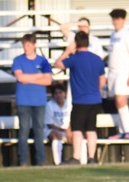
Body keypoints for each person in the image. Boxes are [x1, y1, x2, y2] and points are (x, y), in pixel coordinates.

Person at [54, 31, 107, 164]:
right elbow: (102, 79)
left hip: (80, 101)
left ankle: (76, 157)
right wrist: (97, 91)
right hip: (95, 100)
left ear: (76, 43)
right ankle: (92, 158)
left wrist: (68, 51)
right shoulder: (97, 59)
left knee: (77, 129)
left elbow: (57, 64)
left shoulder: (75, 59)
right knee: (91, 129)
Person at [12, 33, 54, 166]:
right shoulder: (18, 60)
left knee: (39, 130)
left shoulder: (43, 61)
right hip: (23, 101)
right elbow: (20, 78)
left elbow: (48, 81)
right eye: (24, 45)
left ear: (34, 45)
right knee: (24, 131)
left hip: (39, 101)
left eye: (29, 45)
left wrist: (28, 78)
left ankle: (40, 159)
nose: (26, 48)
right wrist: (38, 76)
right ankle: (23, 160)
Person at [107, 9, 129, 140]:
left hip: (123, 71)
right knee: (117, 101)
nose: (116, 22)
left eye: (118, 19)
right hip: (112, 72)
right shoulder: (113, 35)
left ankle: (128, 130)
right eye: (114, 19)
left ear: (124, 20)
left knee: (121, 99)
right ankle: (122, 131)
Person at [45, 84, 71, 165]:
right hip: (51, 130)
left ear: (65, 93)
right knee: (56, 135)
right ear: (53, 96)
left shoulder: (69, 104)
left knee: (79, 136)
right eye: (56, 93)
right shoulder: (49, 105)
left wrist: (69, 130)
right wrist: (63, 130)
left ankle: (82, 162)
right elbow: (50, 124)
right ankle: (58, 163)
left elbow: (73, 120)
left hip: (67, 130)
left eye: (60, 93)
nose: (59, 95)